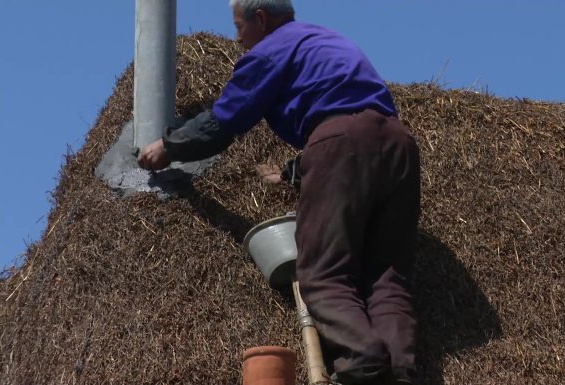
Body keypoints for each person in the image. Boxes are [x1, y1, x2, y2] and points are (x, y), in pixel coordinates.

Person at [138, 1, 420, 384]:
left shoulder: (270, 51)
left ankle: (363, 362)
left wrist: (168, 147)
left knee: (323, 271)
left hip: (342, 145)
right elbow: (351, 114)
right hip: (398, 146)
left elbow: (222, 123)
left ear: (261, 19)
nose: (238, 39)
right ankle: (401, 371)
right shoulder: (323, 38)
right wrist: (297, 169)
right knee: (386, 276)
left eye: (238, 28)